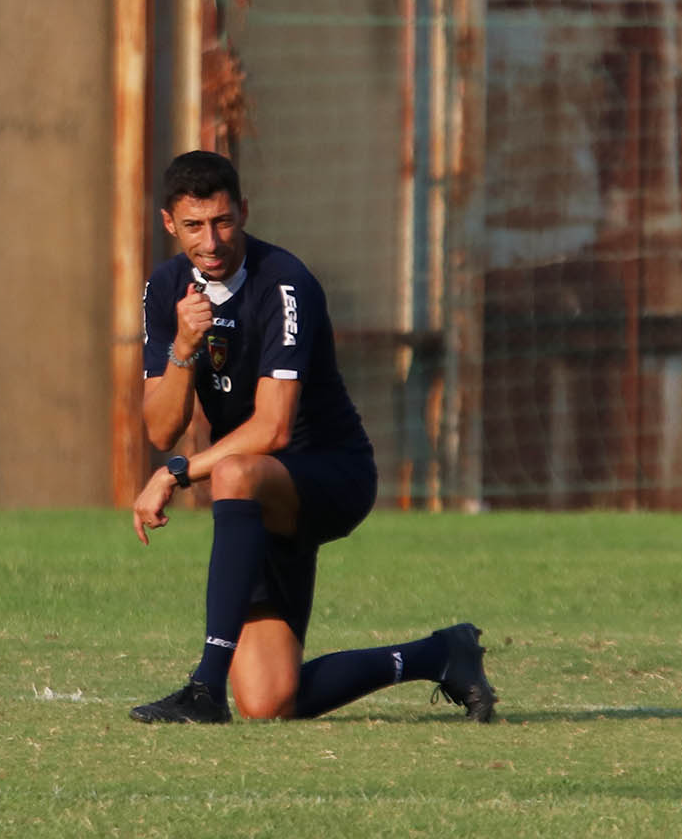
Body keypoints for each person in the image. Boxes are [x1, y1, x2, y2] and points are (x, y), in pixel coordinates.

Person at [128, 150, 497, 722]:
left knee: (233, 472)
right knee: (269, 701)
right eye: (194, 226)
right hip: (254, 499)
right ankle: (441, 654)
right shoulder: (165, 287)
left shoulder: (285, 283)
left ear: (244, 211)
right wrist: (183, 348)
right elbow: (161, 428)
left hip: (330, 475)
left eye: (223, 221)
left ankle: (204, 690)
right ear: (170, 224)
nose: (212, 241)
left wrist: (177, 473)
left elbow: (273, 428)